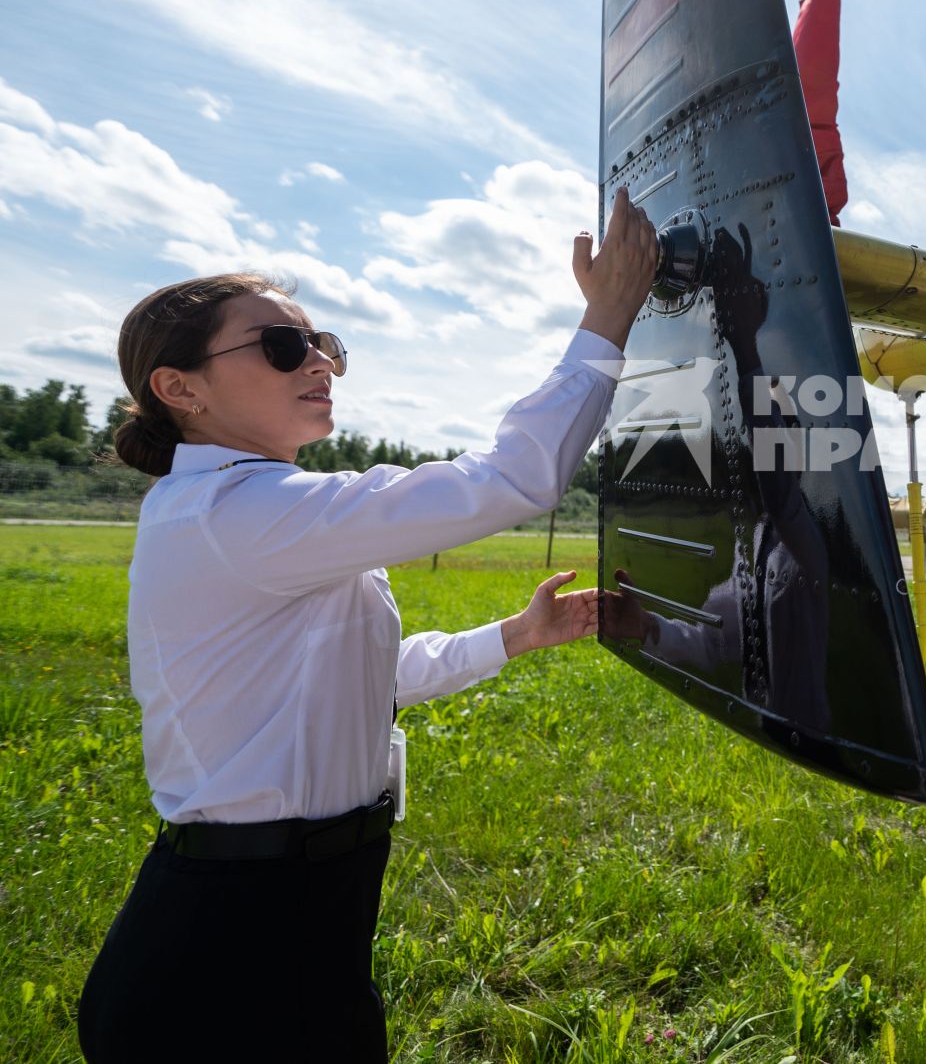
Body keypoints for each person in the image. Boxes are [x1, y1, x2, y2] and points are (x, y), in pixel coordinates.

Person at [76, 189, 660, 1063]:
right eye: (283, 346)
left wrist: (515, 635)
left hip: (296, 910)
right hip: (227, 947)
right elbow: (508, 478)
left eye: (323, 344)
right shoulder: (236, 510)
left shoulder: (250, 512)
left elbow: (360, 678)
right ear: (179, 388)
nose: (320, 363)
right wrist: (607, 317)